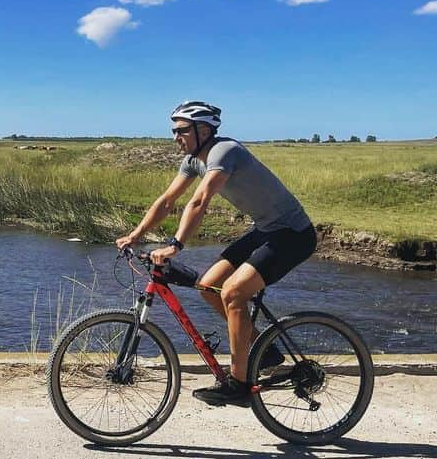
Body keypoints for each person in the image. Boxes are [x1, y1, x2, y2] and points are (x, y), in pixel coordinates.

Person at [115, 101, 317, 406]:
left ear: (204, 130)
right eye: (174, 130)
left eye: (182, 130)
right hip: (266, 229)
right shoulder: (193, 160)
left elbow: (200, 201)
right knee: (208, 286)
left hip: (293, 234)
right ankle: (266, 350)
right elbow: (168, 200)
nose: (175, 137)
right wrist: (135, 234)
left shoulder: (225, 152)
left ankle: (238, 383)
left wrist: (175, 245)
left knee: (234, 293)